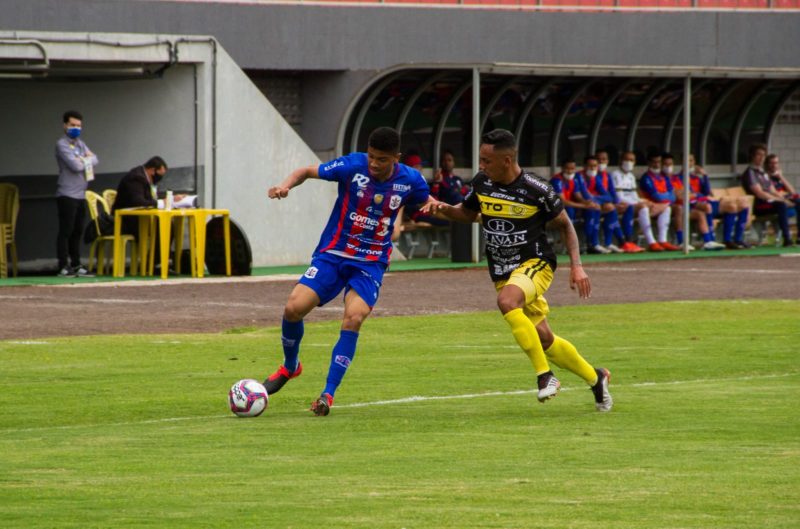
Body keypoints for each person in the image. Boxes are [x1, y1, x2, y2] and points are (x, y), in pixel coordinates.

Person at [423, 129, 612, 412]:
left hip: (536, 263)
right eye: (480, 159)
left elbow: (565, 225)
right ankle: (596, 379)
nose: (481, 166)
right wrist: (442, 208)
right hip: (503, 270)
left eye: (487, 161)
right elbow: (467, 213)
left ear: (507, 160)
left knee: (507, 301)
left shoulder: (537, 189)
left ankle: (545, 376)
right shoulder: (482, 183)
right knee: (544, 338)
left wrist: (577, 267)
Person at [263, 127, 432, 416]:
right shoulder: (353, 166)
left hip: (370, 262)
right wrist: (285, 186)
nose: (374, 163)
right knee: (293, 308)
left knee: (353, 318)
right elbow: (306, 171)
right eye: (371, 156)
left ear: (396, 158)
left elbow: (424, 200)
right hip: (334, 253)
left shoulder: (411, 180)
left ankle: (327, 394)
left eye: (381, 159)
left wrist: (432, 206)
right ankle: (291, 366)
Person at [55, 110, 98, 277]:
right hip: (67, 194)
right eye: (72, 125)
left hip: (81, 194)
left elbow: (96, 159)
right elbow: (76, 166)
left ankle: (76, 263)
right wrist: (86, 159)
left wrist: (85, 159)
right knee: (66, 230)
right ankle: (63, 265)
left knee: (77, 231)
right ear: (65, 125)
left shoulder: (80, 144)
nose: (76, 128)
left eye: (79, 126)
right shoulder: (62, 144)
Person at [686, 154, 750, 250]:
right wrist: (700, 196)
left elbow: (707, 191)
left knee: (735, 206)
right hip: (695, 204)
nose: (689, 163)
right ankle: (711, 240)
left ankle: (733, 240)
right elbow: (689, 195)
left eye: (691, 161)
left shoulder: (697, 178)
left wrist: (705, 175)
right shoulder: (680, 178)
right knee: (708, 206)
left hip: (706, 201)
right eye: (687, 161)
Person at [741, 144, 794, 247]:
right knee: (781, 205)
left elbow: (772, 190)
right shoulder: (750, 173)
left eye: (763, 155)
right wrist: (781, 200)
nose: (761, 158)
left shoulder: (762, 172)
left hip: (771, 201)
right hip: (759, 204)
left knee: (796, 200)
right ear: (752, 156)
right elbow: (760, 193)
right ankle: (787, 238)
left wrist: (783, 198)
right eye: (759, 155)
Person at [549, 160, 605, 254]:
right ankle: (568, 246)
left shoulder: (573, 180)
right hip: (553, 209)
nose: (570, 171)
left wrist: (589, 203)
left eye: (572, 169)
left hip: (569, 208)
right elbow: (563, 201)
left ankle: (591, 244)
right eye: (567, 168)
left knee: (593, 209)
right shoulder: (557, 180)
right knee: (569, 211)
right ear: (562, 168)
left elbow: (578, 196)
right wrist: (584, 206)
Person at [610, 151, 661, 252]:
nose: (629, 162)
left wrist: (645, 201)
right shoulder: (615, 175)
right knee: (643, 207)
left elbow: (634, 196)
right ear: (620, 161)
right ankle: (649, 241)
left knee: (649, 206)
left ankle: (652, 241)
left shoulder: (631, 176)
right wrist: (639, 203)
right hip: (620, 204)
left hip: (631, 205)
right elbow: (619, 197)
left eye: (632, 160)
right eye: (626, 159)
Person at [597, 150, 643, 253]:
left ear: (608, 161)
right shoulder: (593, 176)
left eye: (604, 159)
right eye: (598, 159)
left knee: (628, 207)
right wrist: (609, 202)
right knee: (612, 210)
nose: (601, 162)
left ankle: (627, 240)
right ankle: (620, 242)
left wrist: (617, 202)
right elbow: (591, 194)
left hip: (607, 204)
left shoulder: (606, 175)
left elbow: (612, 192)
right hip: (595, 205)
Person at [113, 156, 170, 237]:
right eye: (160, 175)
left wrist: (170, 198)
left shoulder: (146, 178)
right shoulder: (136, 178)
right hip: (124, 220)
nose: (160, 178)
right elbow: (139, 202)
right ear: (152, 170)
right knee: (161, 226)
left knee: (167, 224)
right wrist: (160, 203)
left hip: (137, 218)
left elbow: (150, 198)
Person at [582, 154, 626, 253]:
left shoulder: (595, 178)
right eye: (590, 166)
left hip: (593, 204)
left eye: (595, 166)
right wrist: (597, 201)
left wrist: (596, 200)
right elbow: (584, 195)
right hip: (580, 206)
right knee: (595, 209)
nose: (592, 168)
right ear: (584, 166)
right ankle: (592, 244)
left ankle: (608, 243)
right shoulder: (580, 177)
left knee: (611, 208)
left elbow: (608, 196)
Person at [638, 153, 680, 251]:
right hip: (650, 206)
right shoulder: (646, 178)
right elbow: (657, 197)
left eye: (659, 162)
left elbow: (673, 196)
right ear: (649, 163)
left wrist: (665, 200)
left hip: (660, 206)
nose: (657, 165)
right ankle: (651, 242)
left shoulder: (664, 177)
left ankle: (662, 240)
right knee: (649, 209)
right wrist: (666, 197)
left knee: (667, 208)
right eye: (654, 162)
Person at [766, 153, 800, 244]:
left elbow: (792, 191)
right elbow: (772, 193)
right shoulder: (765, 177)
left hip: (784, 199)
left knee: (798, 200)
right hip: (772, 203)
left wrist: (781, 176)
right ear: (767, 164)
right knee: (783, 204)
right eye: (771, 163)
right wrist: (785, 200)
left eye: (776, 163)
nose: (774, 165)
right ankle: (787, 238)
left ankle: (799, 237)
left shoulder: (778, 177)